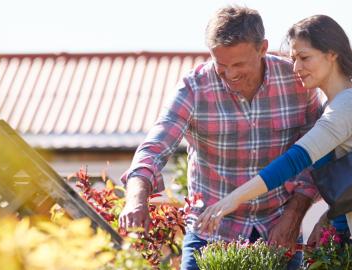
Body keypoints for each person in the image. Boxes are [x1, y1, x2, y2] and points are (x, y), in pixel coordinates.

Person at [196, 15, 352, 270]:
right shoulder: (333, 107)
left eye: (305, 58)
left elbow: (296, 159)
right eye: (293, 59)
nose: (296, 67)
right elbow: (350, 183)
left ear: (332, 54)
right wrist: (328, 219)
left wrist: (233, 199)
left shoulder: (348, 105)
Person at [117, 6, 325, 270]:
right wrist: (136, 199)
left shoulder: (297, 82)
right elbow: (154, 148)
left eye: (239, 64)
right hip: (210, 232)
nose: (230, 74)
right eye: (221, 64)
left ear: (262, 48)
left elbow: (315, 154)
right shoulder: (194, 88)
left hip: (278, 228)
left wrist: (295, 215)